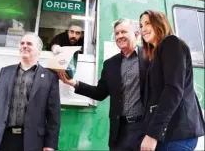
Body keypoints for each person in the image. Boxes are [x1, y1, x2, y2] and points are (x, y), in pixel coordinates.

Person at [59, 18, 149, 150]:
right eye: (117, 33)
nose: (119, 36)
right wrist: (74, 83)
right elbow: (100, 93)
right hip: (120, 130)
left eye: (123, 32)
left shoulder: (150, 57)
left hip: (144, 128)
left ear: (136, 34)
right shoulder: (110, 64)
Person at [0, 32, 61, 151]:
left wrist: (50, 145)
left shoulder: (49, 77)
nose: (24, 46)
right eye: (22, 43)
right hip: (1, 138)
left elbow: (54, 115)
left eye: (29, 44)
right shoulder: (5, 72)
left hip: (32, 141)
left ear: (39, 50)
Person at [139, 10, 205, 151]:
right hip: (171, 134)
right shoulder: (158, 51)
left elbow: (173, 90)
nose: (143, 29)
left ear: (160, 23)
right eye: (141, 25)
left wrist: (152, 134)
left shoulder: (171, 43)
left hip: (176, 134)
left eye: (147, 23)